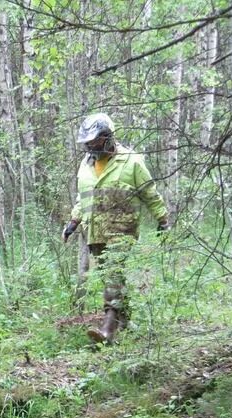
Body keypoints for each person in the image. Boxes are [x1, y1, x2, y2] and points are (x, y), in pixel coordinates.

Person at [62, 113, 169, 344]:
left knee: (112, 273)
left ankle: (108, 328)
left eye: (95, 141)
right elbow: (83, 197)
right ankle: (126, 321)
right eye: (88, 143)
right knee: (110, 276)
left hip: (122, 227)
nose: (91, 146)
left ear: (108, 137)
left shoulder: (132, 161)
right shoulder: (86, 164)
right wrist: (73, 222)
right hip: (95, 229)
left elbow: (149, 193)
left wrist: (163, 219)